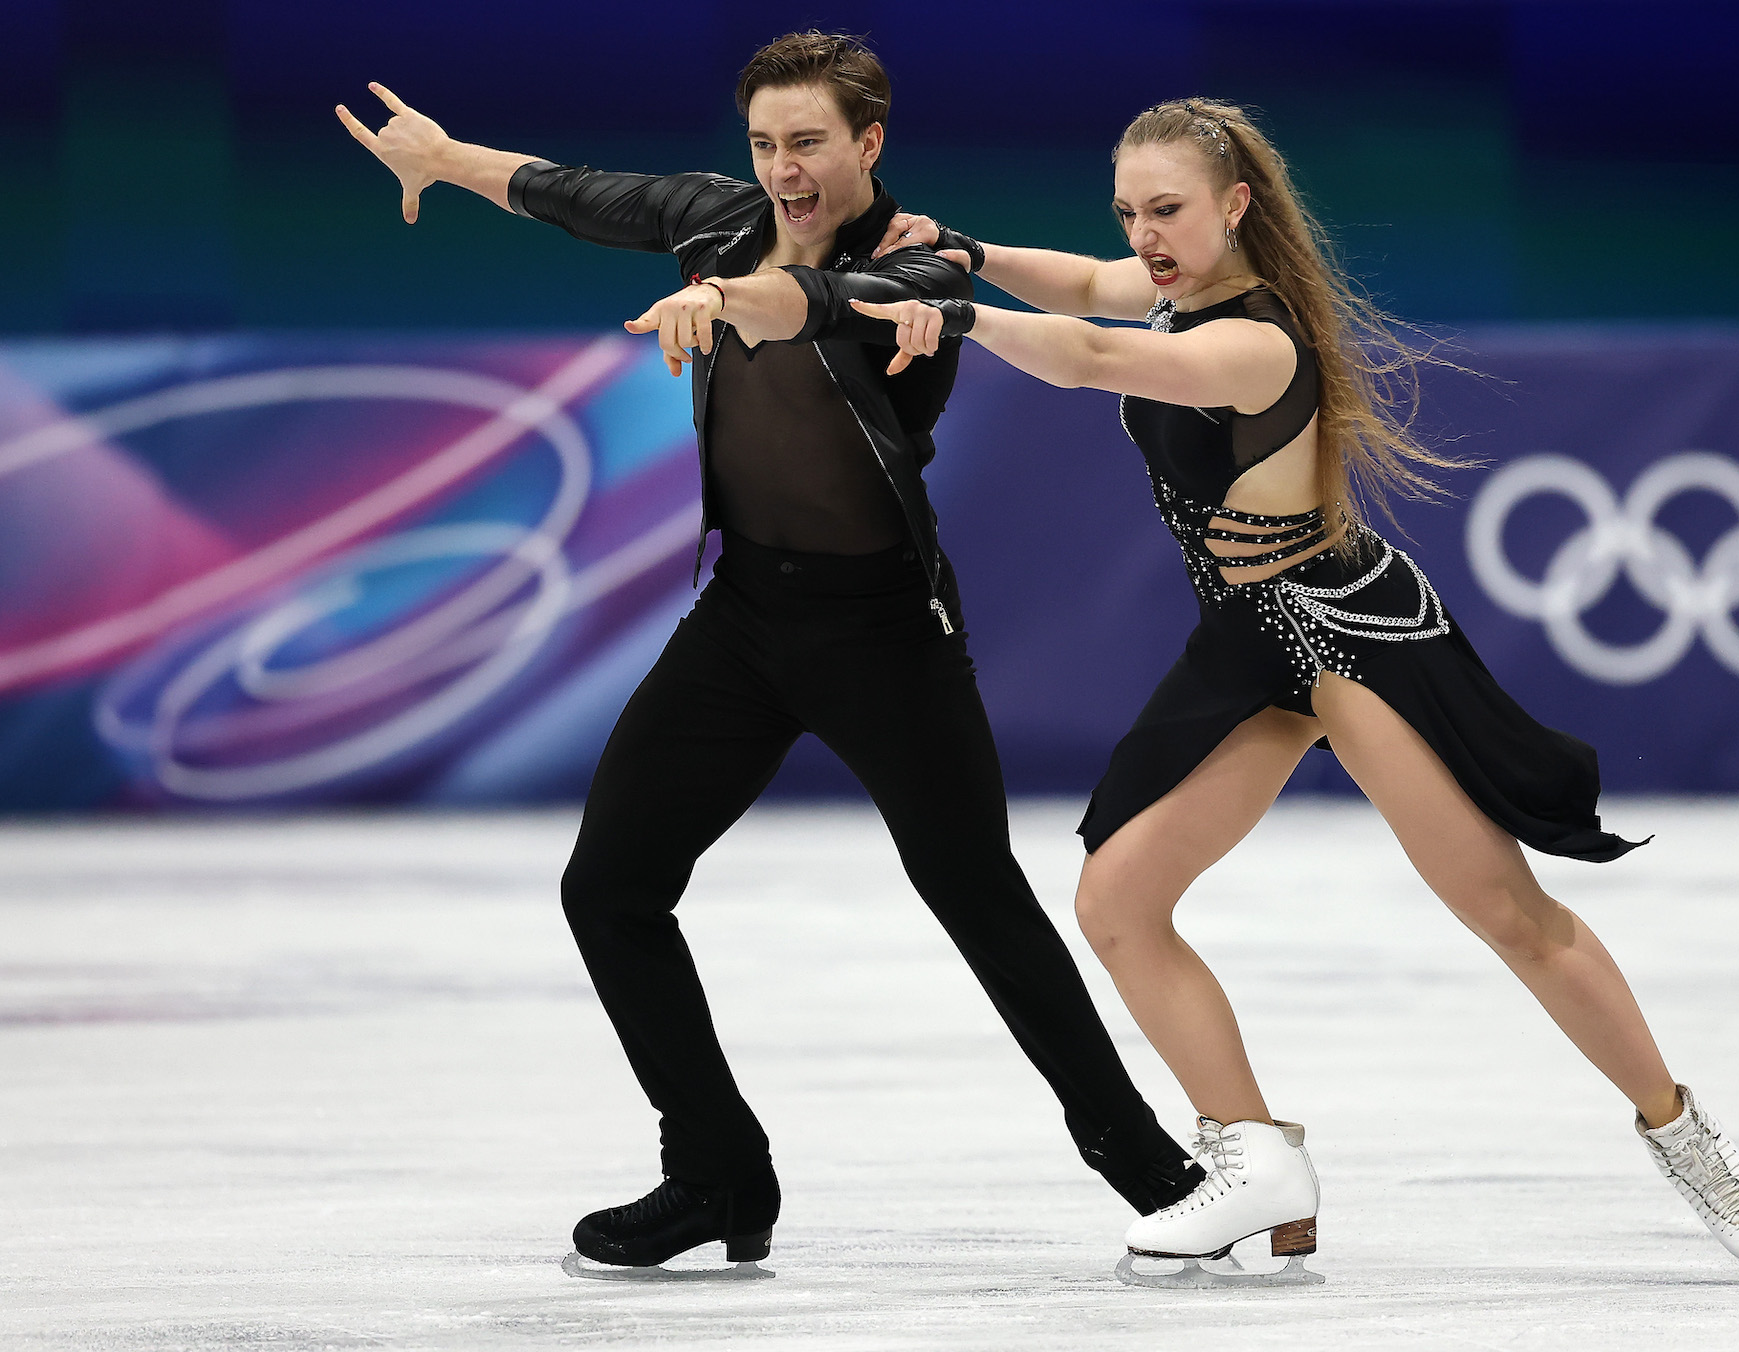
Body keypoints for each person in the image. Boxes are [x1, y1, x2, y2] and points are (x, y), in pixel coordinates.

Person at [851, 97, 1739, 1283]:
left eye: (1169, 211)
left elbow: (1087, 354)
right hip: (1247, 641)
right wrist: (976, 255)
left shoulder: (1257, 339)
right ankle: (1255, 1158)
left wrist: (956, 311)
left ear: (1235, 205)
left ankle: (1679, 1126)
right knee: (1118, 899)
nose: (1144, 236)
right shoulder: (1177, 290)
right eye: (1130, 212)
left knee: (1506, 911)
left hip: (1350, 637)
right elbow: (1089, 291)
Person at [335, 34, 1203, 1275]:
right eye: (764, 144)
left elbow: (824, 307)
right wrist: (445, 157)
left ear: (869, 143)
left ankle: (1158, 1174)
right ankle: (717, 1171)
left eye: (808, 142)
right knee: (610, 888)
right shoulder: (713, 218)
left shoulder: (925, 258)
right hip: (743, 620)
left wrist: (722, 298)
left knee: (979, 898)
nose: (784, 169)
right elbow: (573, 190)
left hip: (886, 631)